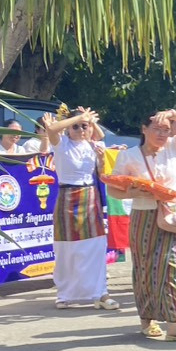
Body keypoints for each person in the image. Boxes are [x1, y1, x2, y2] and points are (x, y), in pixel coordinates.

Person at [111, 109, 176, 341]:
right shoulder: (129, 156)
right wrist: (133, 191)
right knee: (144, 268)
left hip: (171, 216)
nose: (162, 133)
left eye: (166, 129)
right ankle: (147, 319)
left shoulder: (173, 147)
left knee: (171, 267)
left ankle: (174, 325)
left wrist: (172, 114)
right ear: (144, 129)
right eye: (156, 128)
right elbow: (113, 189)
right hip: (143, 217)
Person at [43, 108, 116, 310]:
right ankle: (65, 293)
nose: (80, 130)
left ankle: (100, 292)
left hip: (89, 195)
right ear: (68, 128)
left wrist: (89, 122)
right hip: (66, 195)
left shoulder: (93, 145)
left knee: (95, 245)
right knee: (66, 248)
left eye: (84, 127)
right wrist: (77, 119)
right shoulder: (62, 144)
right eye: (75, 127)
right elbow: (52, 130)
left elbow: (102, 166)